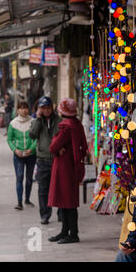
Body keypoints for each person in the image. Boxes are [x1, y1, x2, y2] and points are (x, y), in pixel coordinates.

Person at [47, 98, 88, 244]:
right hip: (72, 166)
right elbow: (83, 145)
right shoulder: (77, 124)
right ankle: (65, 231)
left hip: (64, 168)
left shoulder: (66, 126)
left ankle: (72, 234)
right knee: (66, 201)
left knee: (67, 202)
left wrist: (58, 147)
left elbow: (53, 147)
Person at [29, 96, 62, 225]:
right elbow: (32, 134)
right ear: (40, 109)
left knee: (59, 188)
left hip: (57, 159)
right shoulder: (37, 121)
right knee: (43, 189)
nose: (46, 110)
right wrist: (37, 118)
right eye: (43, 108)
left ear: (52, 108)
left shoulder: (58, 120)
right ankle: (45, 215)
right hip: (42, 160)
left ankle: (61, 213)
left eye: (48, 108)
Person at [6, 102, 37, 210]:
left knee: (29, 178)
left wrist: (31, 149)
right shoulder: (13, 124)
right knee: (19, 177)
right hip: (18, 156)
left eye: (26, 108)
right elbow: (9, 139)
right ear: (17, 110)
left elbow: (36, 138)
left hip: (31, 155)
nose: (24, 110)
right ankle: (19, 202)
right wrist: (15, 150)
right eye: (21, 108)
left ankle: (27, 199)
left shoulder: (33, 122)